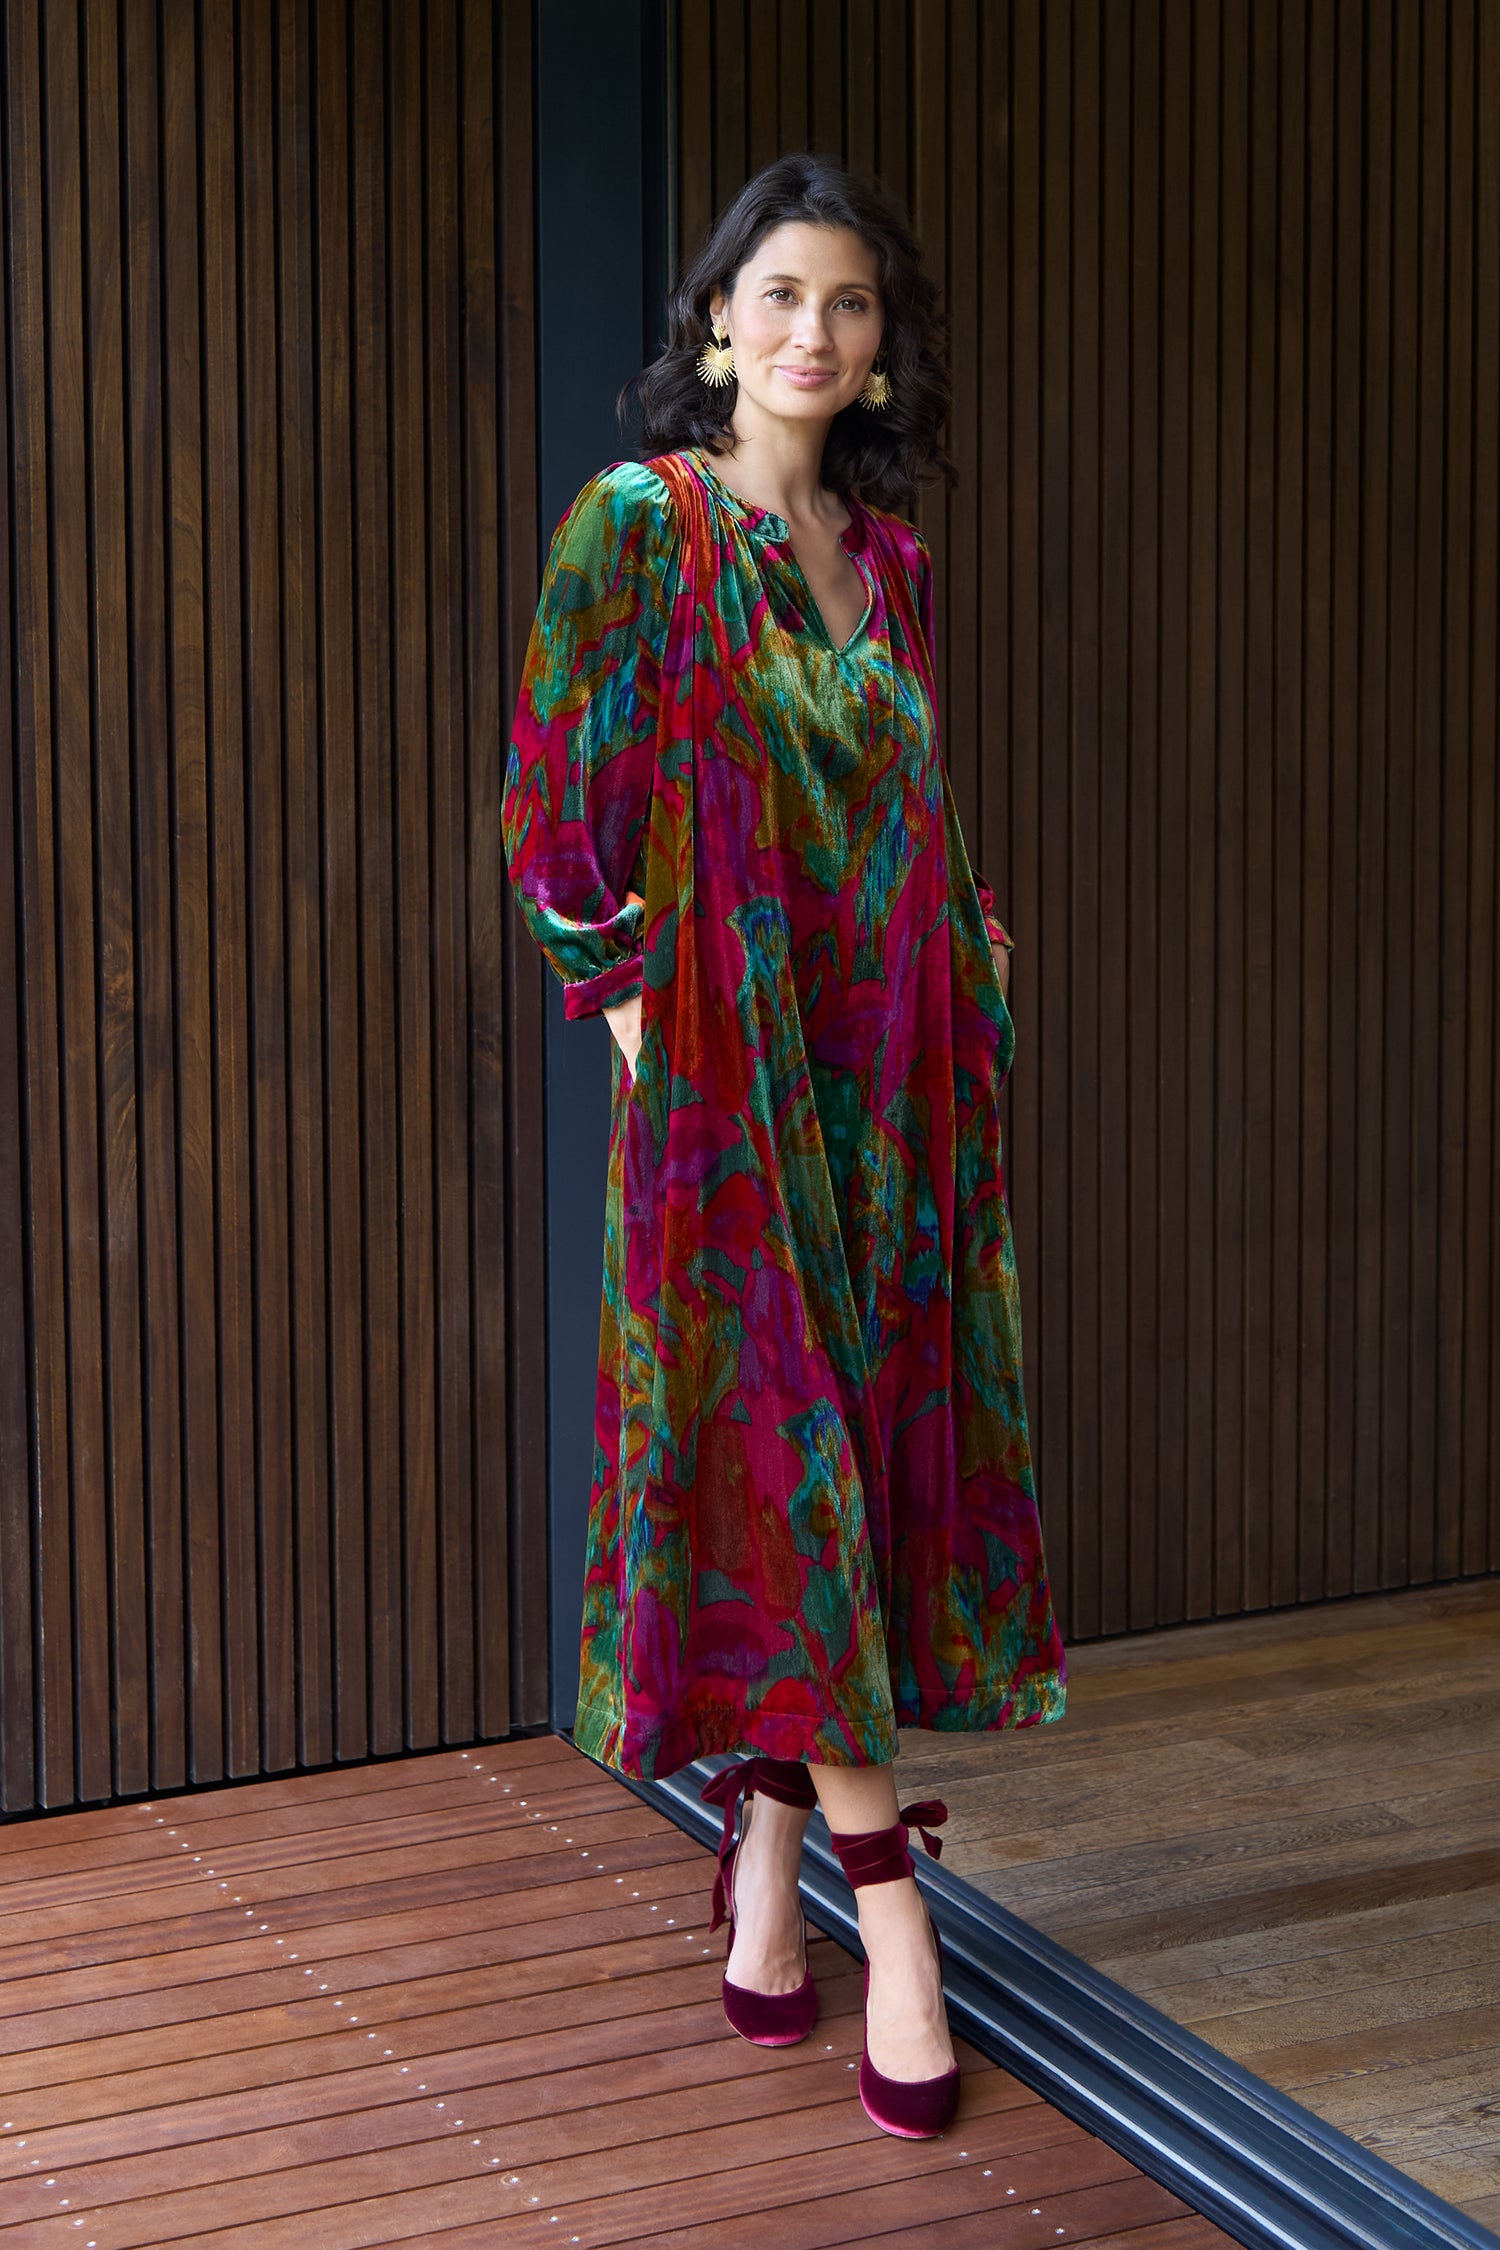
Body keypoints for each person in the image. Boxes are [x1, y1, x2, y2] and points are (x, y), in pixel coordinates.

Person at [502, 152, 1066, 2139]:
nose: (810, 333)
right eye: (775, 297)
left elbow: (909, 796)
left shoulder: (884, 557)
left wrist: (971, 950)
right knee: (779, 1476)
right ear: (715, 324)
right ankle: (894, 1928)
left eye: (846, 303)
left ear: (881, 343)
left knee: (839, 1485)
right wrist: (654, 1037)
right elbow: (555, 812)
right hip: (728, 1109)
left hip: (893, 1085)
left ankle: (759, 1864)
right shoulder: (641, 528)